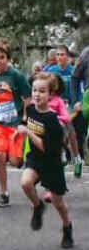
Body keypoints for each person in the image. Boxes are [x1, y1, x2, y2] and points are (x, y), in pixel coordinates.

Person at [18, 72, 73, 249]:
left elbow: (46, 147)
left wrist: (28, 132)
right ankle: (38, 206)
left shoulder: (53, 121)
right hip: (35, 159)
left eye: (42, 91)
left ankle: (67, 227)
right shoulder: (31, 109)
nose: (37, 94)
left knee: (58, 203)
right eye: (34, 90)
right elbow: (28, 126)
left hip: (52, 163)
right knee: (26, 183)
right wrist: (19, 132)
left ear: (50, 95)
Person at [0, 37, 31, 207]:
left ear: (8, 58)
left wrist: (25, 117)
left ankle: (23, 161)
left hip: (14, 124)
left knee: (15, 161)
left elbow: (27, 98)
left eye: (2, 57)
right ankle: (4, 193)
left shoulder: (16, 76)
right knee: (0, 156)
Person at [48, 45, 82, 177]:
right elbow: (41, 81)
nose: (60, 57)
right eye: (58, 55)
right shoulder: (52, 70)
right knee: (57, 130)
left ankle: (77, 158)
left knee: (69, 129)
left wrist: (78, 102)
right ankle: (62, 155)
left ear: (67, 57)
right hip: (55, 105)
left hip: (70, 106)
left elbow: (79, 88)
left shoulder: (73, 70)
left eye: (62, 54)